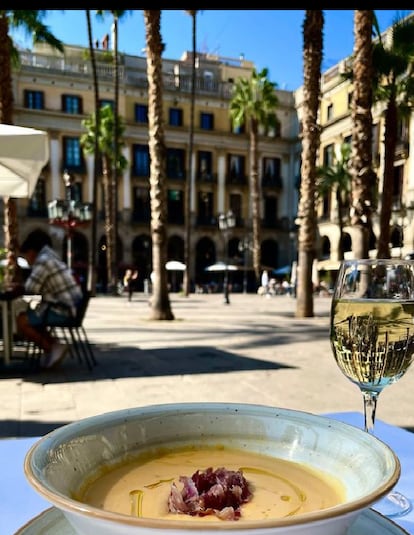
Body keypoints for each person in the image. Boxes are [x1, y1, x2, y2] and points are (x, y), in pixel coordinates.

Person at [15, 229, 83, 369]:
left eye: (26, 256)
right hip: (71, 308)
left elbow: (30, 288)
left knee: (21, 321)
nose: (27, 260)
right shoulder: (51, 257)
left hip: (62, 310)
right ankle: (55, 346)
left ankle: (52, 348)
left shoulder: (43, 261)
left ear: (32, 252)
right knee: (32, 315)